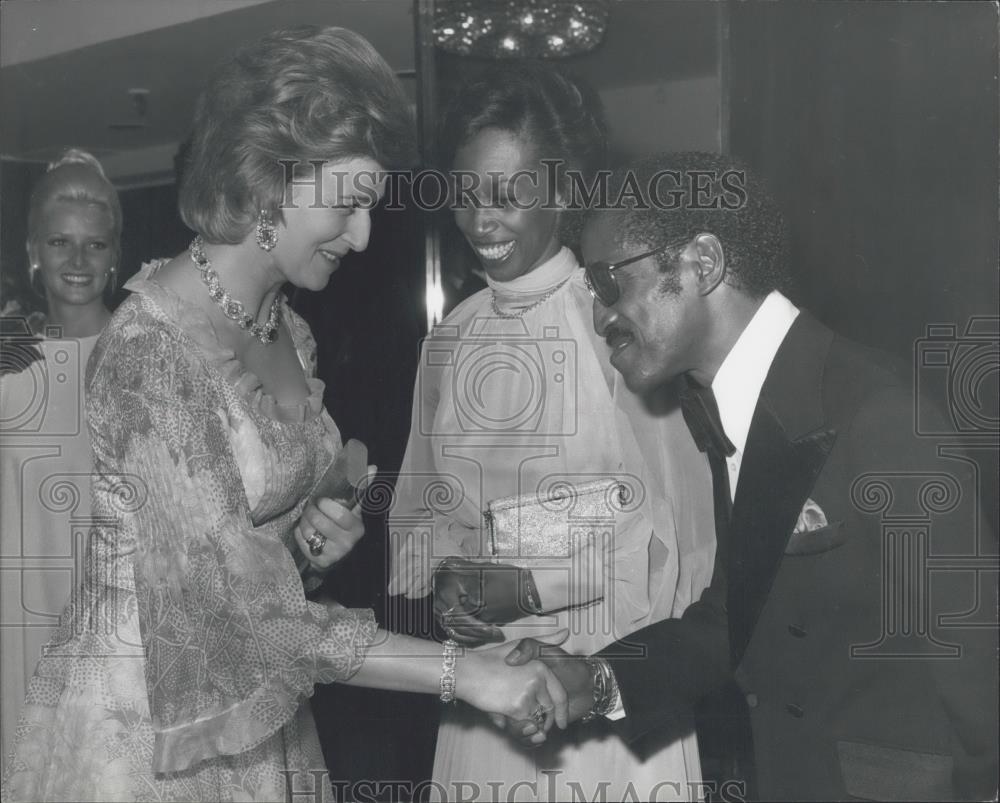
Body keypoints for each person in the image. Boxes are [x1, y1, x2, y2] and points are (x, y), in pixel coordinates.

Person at [0, 27, 569, 803]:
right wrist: (461, 671)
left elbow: (262, 570)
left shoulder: (284, 326)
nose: (364, 236)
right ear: (271, 182)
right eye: (350, 204)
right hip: (146, 739)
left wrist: (308, 545)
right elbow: (239, 617)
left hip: (257, 710)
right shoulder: (150, 354)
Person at [503, 152, 1000, 801]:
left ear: (703, 263)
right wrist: (593, 679)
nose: (600, 316)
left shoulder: (878, 413)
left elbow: (979, 675)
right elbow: (731, 623)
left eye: (607, 281)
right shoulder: (733, 410)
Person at [388, 67, 715, 802]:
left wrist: (513, 572)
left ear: (563, 192)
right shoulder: (447, 345)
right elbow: (426, 532)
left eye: (509, 193)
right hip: (489, 694)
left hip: (604, 699)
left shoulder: (619, 327)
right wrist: (453, 582)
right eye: (468, 194)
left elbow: (671, 549)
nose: (482, 219)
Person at [0, 149, 121, 760]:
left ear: (114, 254)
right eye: (59, 242)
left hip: (115, 611)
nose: (77, 261)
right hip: (19, 609)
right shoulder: (7, 354)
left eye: (94, 245)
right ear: (32, 252)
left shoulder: (143, 352)